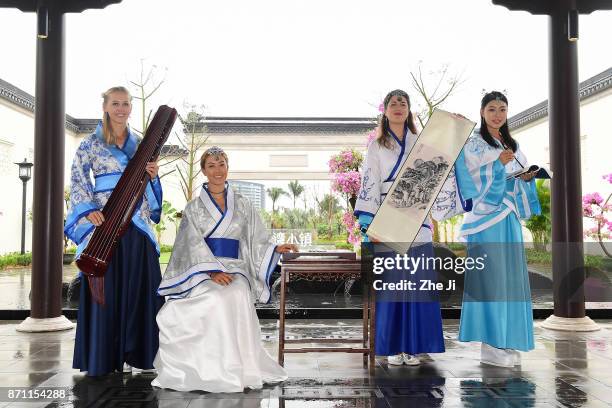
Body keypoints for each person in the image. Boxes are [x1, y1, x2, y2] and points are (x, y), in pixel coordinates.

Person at [152, 146, 295, 392]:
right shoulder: (193, 208)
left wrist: (274, 249)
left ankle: (237, 366)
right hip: (202, 270)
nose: (217, 170)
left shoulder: (243, 204)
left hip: (235, 268)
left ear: (227, 167)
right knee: (213, 295)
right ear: (204, 171)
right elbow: (189, 245)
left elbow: (256, 237)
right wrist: (211, 272)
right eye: (211, 166)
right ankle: (203, 366)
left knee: (234, 292)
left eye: (221, 164)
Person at [64, 86, 164, 376]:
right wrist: (87, 210)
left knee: (142, 289)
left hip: (137, 222)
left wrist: (153, 177)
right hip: (105, 224)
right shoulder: (89, 145)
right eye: (116, 103)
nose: (121, 109)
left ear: (131, 107)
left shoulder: (141, 144)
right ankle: (103, 357)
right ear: (105, 107)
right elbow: (79, 181)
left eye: (126, 104)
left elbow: (152, 188)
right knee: (104, 290)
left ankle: (142, 355)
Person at [354, 89, 445, 366]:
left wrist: (452, 127)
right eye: (393, 103)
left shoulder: (422, 143)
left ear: (409, 110)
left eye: (403, 103)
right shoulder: (376, 146)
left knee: (417, 283)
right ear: (385, 110)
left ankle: (415, 345)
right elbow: (370, 181)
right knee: (393, 283)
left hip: (417, 217)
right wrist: (369, 223)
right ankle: (393, 345)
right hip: (387, 216)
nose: (398, 107)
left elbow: (439, 170)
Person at [456, 91, 540, 367]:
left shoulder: (512, 143)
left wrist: (526, 178)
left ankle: (507, 339)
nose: (497, 114)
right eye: (492, 109)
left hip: (508, 216)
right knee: (491, 281)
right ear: (482, 112)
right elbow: (468, 179)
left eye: (502, 109)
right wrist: (497, 165)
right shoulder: (474, 144)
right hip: (486, 219)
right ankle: (491, 344)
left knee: (511, 281)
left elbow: (514, 178)